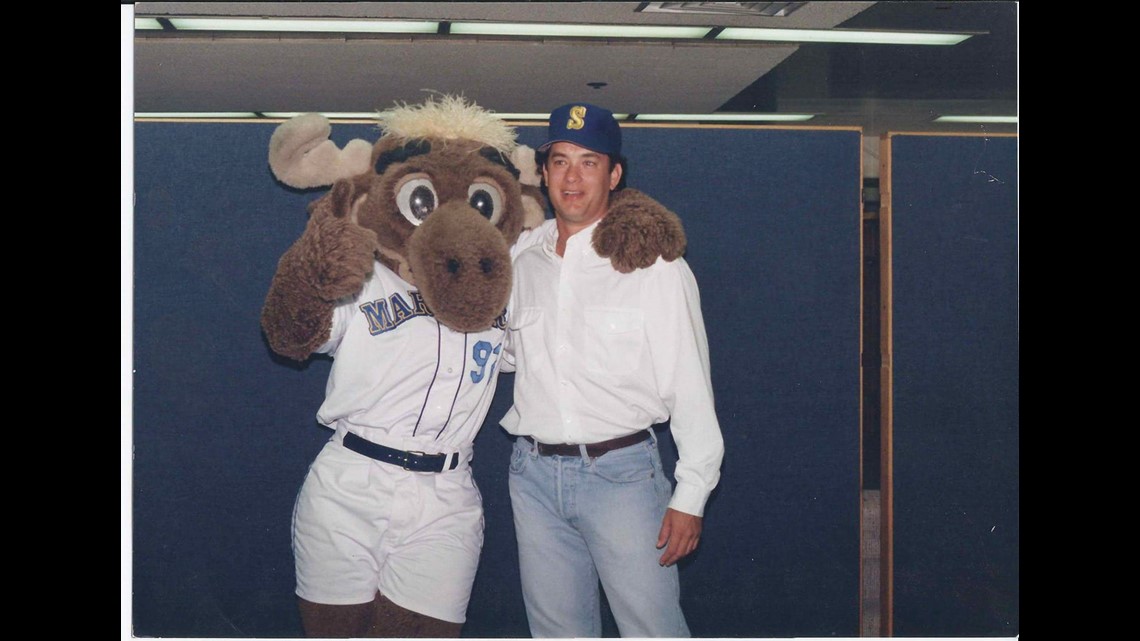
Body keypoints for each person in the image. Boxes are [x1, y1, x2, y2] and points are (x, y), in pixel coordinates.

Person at [500, 102, 725, 638]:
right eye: (559, 161)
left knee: (653, 630)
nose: (572, 177)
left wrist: (690, 495)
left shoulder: (653, 264)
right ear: (544, 171)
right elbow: (508, 355)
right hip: (532, 478)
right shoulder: (521, 259)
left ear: (614, 174)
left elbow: (691, 385)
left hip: (621, 478)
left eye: (589, 162)